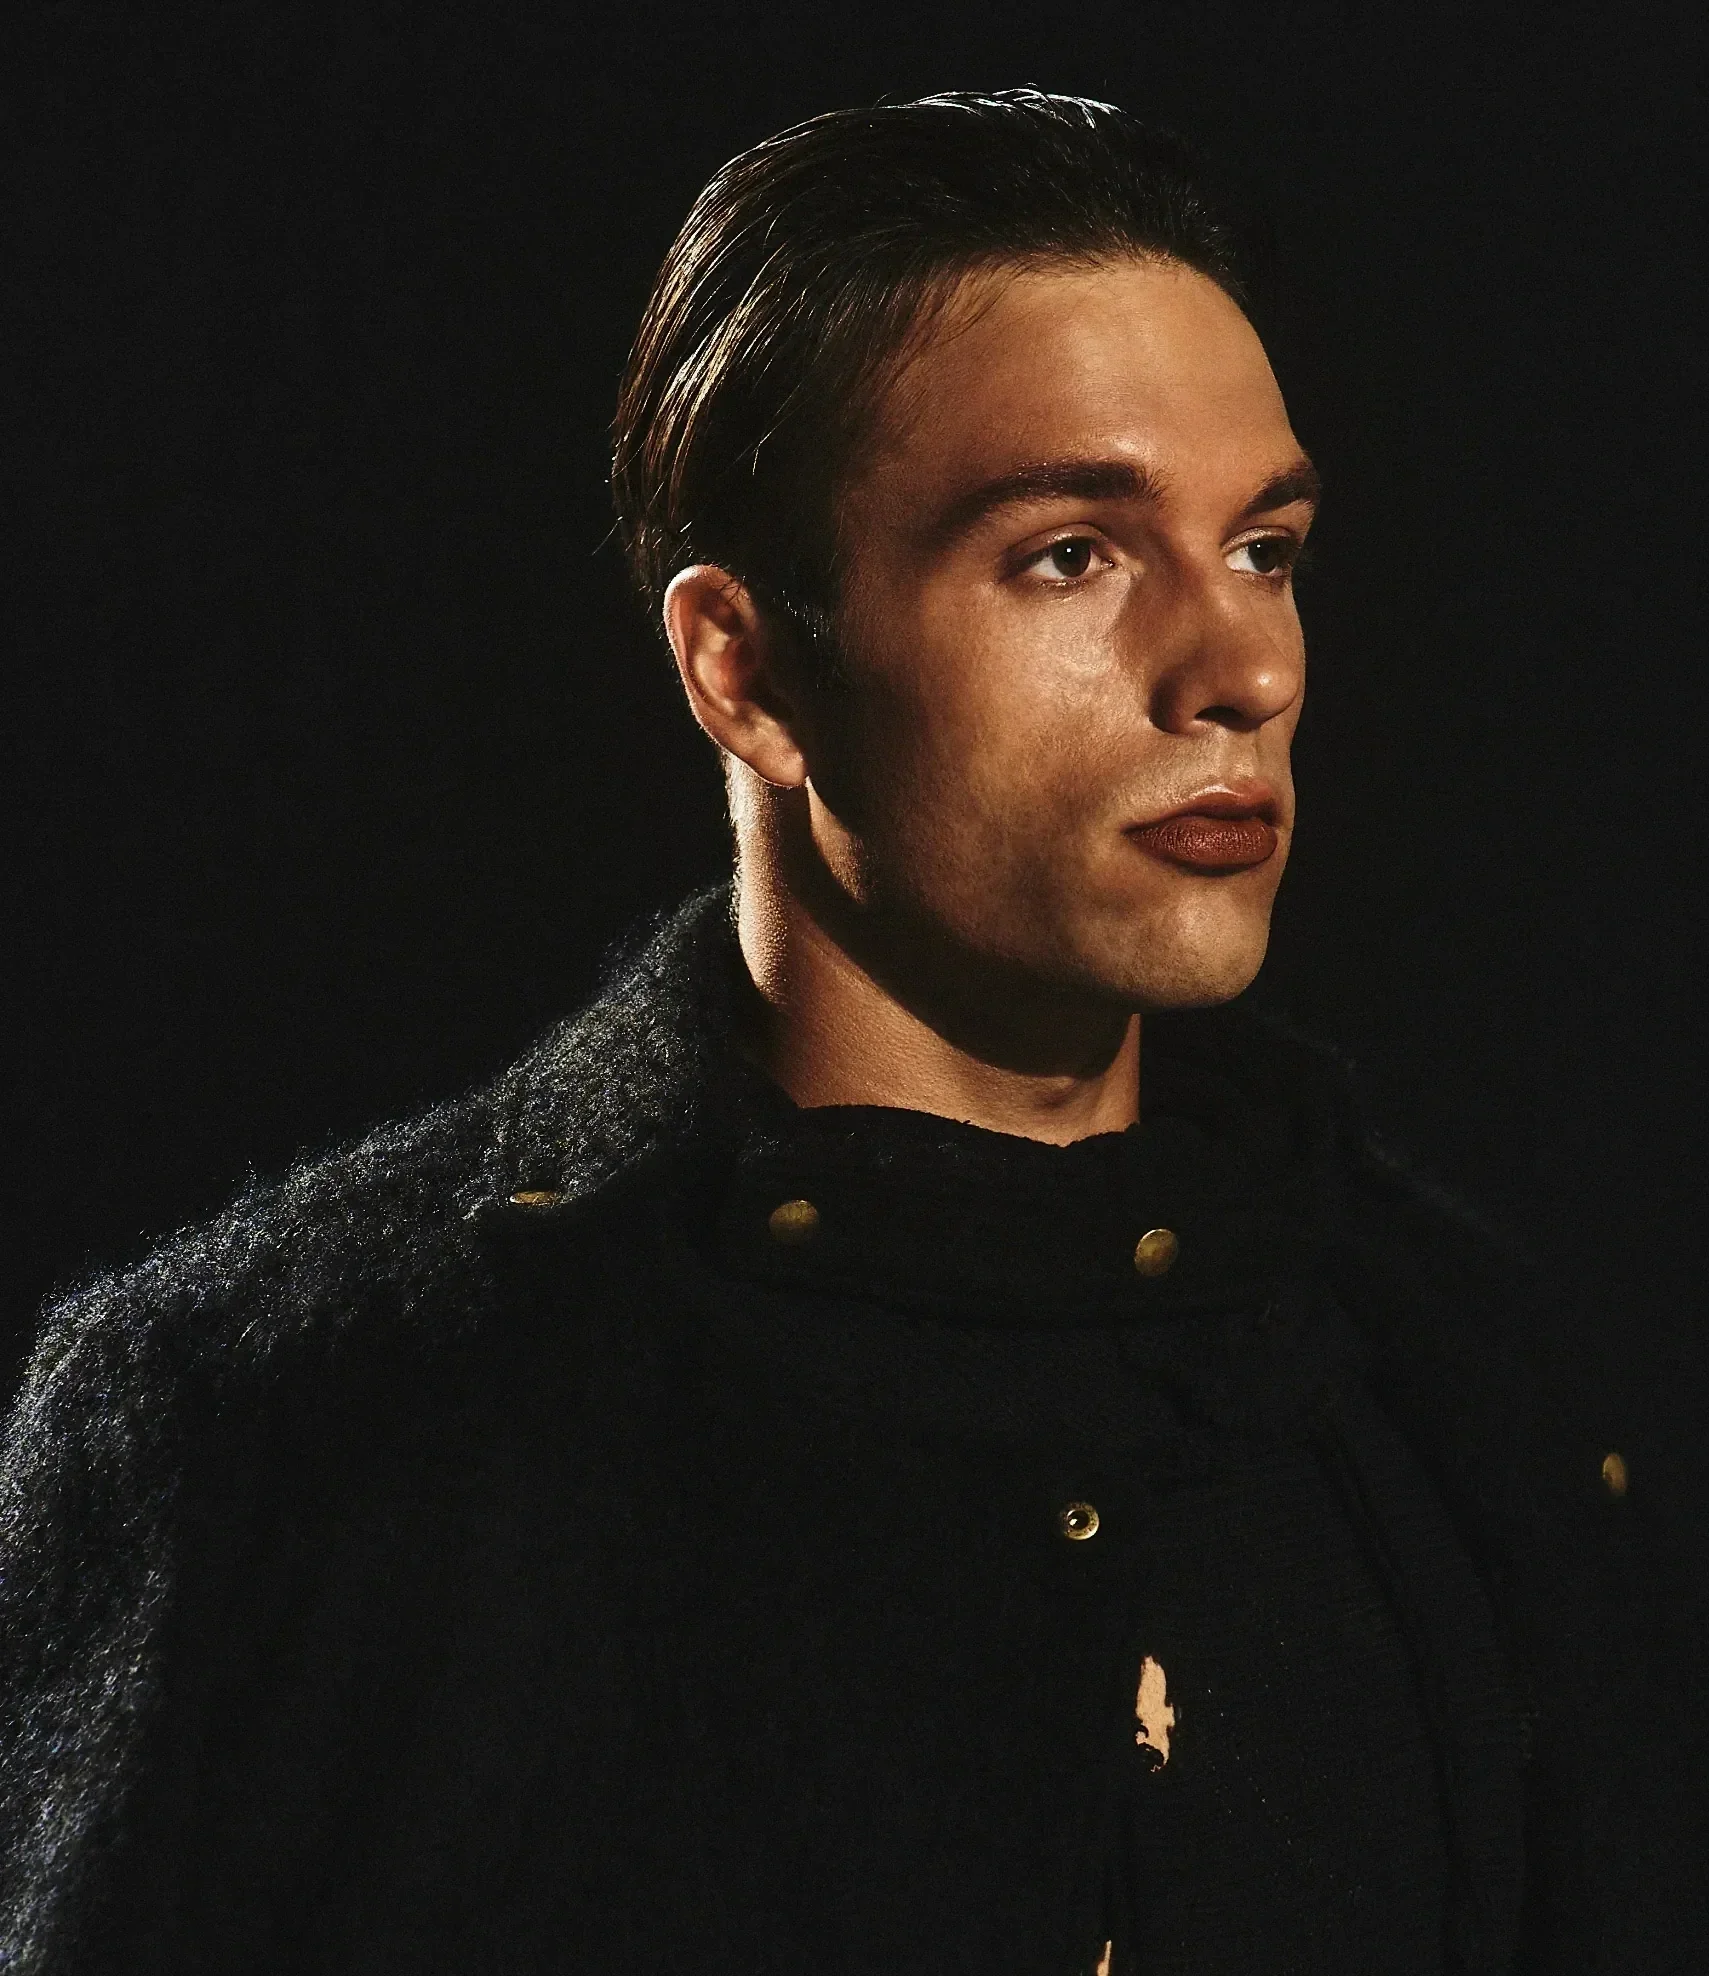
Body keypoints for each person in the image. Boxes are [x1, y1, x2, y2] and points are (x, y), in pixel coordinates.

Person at [0, 90, 1694, 1976]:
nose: (1247, 668)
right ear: (744, 665)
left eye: (1267, 547)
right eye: (1071, 552)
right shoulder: (296, 1432)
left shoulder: (1467, 1385)